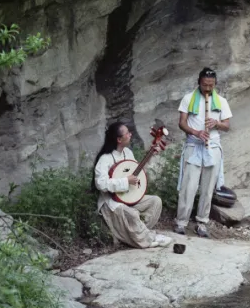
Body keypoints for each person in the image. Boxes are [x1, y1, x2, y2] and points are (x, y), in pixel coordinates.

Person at [92, 121, 171, 249]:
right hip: (112, 202)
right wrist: (125, 181)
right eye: (127, 133)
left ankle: (138, 232)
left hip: (129, 196)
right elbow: (100, 184)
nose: (130, 134)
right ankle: (148, 238)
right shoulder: (105, 158)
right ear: (119, 139)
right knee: (132, 214)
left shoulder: (127, 152)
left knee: (155, 201)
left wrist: (151, 155)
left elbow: (137, 172)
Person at [176, 67, 232, 237]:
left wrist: (217, 123)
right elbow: (182, 123)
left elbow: (227, 126)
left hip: (212, 147)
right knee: (189, 186)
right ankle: (181, 222)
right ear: (199, 82)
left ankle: (202, 222)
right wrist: (196, 132)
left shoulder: (221, 101)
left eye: (211, 85)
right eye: (205, 85)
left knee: (208, 188)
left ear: (215, 84)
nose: (208, 88)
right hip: (194, 146)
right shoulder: (188, 98)